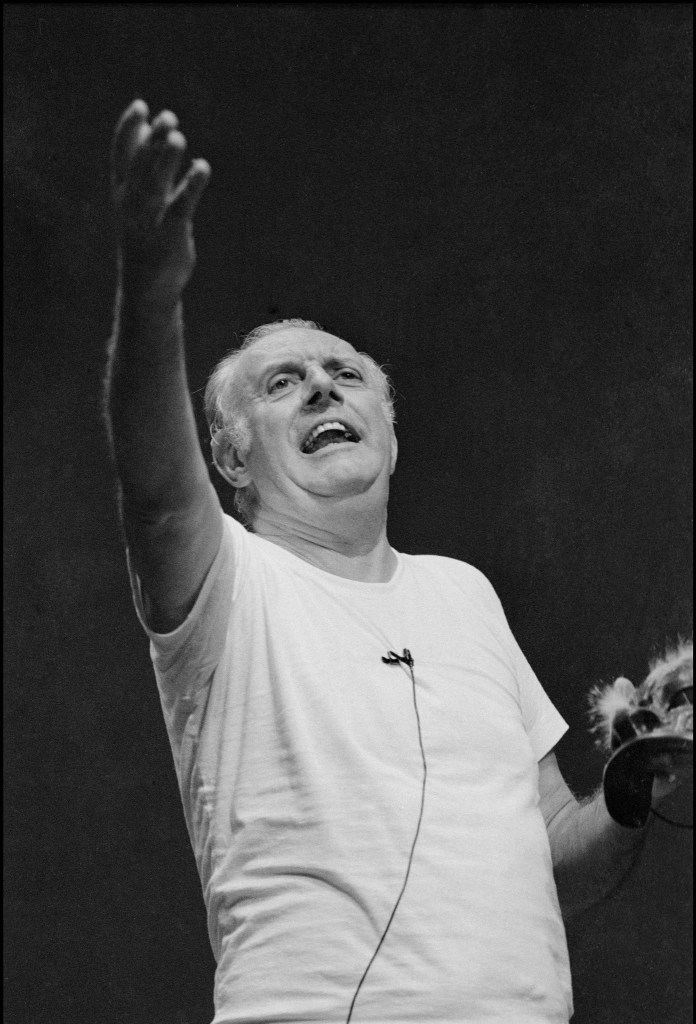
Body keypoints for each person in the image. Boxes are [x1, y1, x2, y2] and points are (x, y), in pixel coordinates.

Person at [104, 100, 684, 1024]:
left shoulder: (464, 593)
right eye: (283, 383)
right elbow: (156, 492)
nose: (321, 387)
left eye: (346, 375)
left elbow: (549, 858)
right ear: (231, 459)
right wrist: (150, 294)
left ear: (390, 434)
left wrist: (628, 787)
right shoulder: (229, 583)